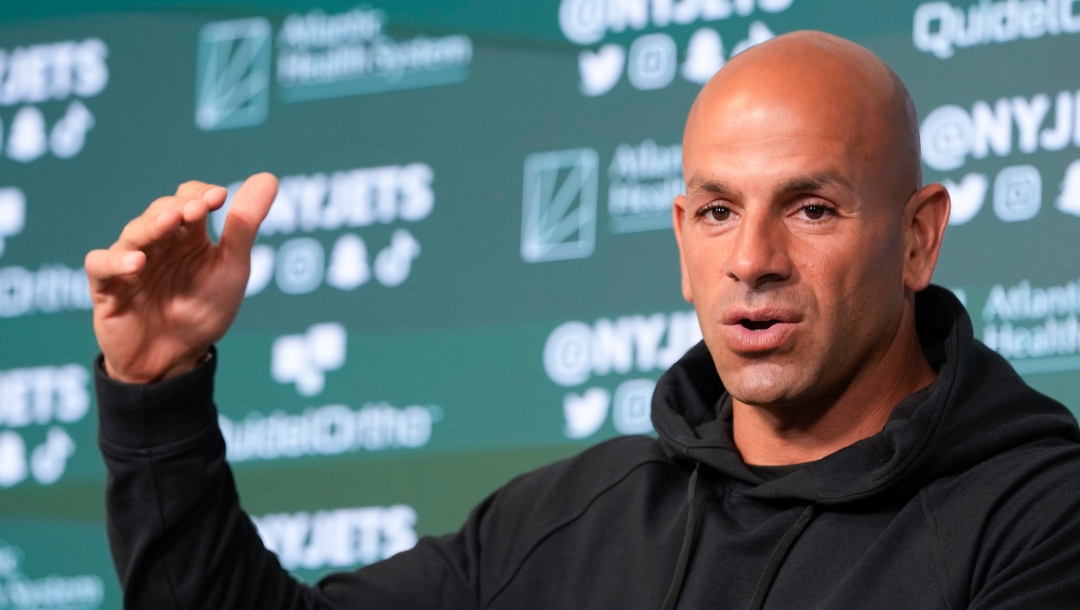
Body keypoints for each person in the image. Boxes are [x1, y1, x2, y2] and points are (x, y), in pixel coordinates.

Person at [87, 31, 1080, 609]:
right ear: (683, 233)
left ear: (917, 238)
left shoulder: (1040, 515)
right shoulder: (568, 521)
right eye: (720, 212)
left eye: (812, 208)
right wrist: (156, 392)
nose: (753, 261)